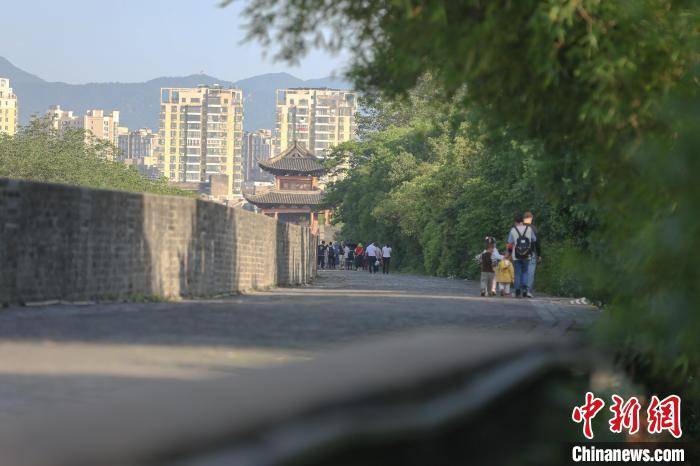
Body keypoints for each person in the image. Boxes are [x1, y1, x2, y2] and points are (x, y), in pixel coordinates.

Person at [507, 213, 537, 298]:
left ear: (515, 222)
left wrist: (509, 254)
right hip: (527, 255)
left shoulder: (513, 230)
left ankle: (517, 291)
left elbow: (509, 243)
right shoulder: (529, 229)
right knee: (525, 272)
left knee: (517, 273)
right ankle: (524, 290)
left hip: (516, 255)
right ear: (522, 221)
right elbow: (534, 239)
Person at [523, 211, 542, 295]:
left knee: (522, 271)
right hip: (531, 253)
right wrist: (539, 254)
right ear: (531, 218)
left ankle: (521, 290)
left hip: (520, 254)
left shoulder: (519, 227)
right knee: (530, 272)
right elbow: (537, 242)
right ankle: (528, 291)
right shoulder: (533, 228)